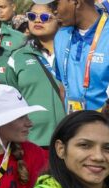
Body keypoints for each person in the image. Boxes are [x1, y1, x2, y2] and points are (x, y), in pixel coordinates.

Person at [53, 0, 109, 113]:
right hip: (74, 126)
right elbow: (63, 86)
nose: (53, 11)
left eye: (55, 4)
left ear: (76, 2)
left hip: (108, 127)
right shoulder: (60, 37)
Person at [4, 5, 66, 148]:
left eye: (44, 17)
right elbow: (11, 103)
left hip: (71, 139)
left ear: (59, 20)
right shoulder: (17, 57)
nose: (37, 21)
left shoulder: (74, 53)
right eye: (32, 16)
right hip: (34, 143)